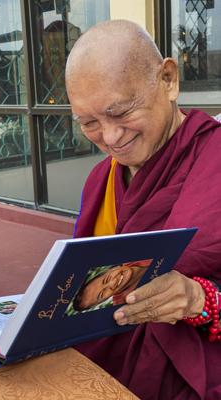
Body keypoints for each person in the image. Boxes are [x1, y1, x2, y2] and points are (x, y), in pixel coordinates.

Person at [65, 20, 221, 400]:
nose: (111, 138)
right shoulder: (101, 180)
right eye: (89, 123)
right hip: (100, 369)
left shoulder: (214, 158)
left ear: (168, 80)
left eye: (121, 113)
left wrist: (202, 301)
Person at [73, 259, 152, 311]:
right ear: (105, 300)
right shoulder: (126, 307)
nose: (113, 282)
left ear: (111, 269)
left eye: (107, 279)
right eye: (102, 294)